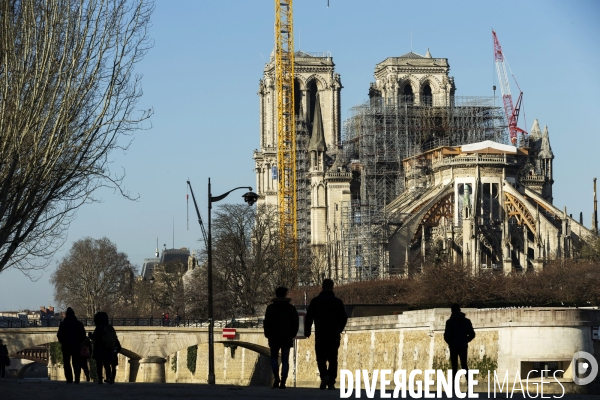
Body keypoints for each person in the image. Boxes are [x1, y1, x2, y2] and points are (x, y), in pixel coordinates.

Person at [304, 279, 348, 390]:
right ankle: (331, 381)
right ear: (332, 287)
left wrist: (307, 331)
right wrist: (339, 329)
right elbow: (344, 318)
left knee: (321, 358)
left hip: (321, 334)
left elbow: (309, 318)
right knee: (333, 358)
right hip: (333, 334)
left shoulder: (315, 301)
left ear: (322, 287)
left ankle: (325, 376)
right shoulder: (338, 302)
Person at [263, 287, 299, 389]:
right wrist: (293, 334)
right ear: (285, 294)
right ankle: (283, 380)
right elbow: (295, 323)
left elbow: (267, 322)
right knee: (285, 359)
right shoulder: (291, 308)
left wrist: (267, 334)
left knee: (274, 358)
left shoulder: (270, 308)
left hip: (274, 336)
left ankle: (276, 377)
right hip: (287, 336)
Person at [444, 304, 476, 384]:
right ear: (459, 310)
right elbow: (472, 334)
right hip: (463, 345)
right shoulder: (466, 321)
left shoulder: (449, 322)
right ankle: (469, 382)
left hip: (453, 346)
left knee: (454, 365)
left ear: (452, 311)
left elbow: (446, 336)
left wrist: (450, 342)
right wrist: (465, 340)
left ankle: (453, 383)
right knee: (464, 364)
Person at [56, 307, 86, 383]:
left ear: (66, 315)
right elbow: (83, 335)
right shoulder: (79, 324)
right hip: (76, 345)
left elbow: (59, 335)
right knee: (76, 362)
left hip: (66, 346)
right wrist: (79, 342)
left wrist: (63, 342)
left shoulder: (63, 324)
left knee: (66, 363)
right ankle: (77, 377)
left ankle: (69, 378)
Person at [89, 311, 116, 384]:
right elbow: (114, 338)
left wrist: (90, 335)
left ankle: (100, 379)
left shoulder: (99, 327)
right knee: (107, 364)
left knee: (99, 364)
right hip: (109, 348)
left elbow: (94, 337)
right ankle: (109, 376)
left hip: (100, 348)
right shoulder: (110, 327)